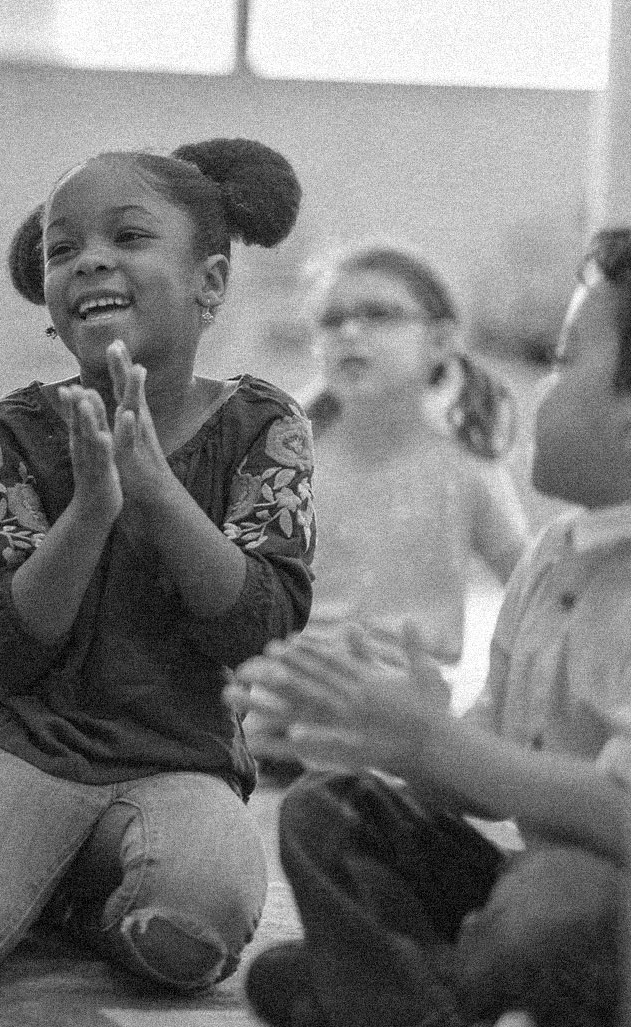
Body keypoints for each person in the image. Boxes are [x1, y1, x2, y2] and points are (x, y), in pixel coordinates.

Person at [0, 138, 316, 993]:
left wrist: (156, 488)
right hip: (23, 749)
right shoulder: (11, 432)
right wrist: (88, 512)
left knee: (191, 933)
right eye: (63, 248)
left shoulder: (266, 426)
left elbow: (261, 632)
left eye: (129, 236)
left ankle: (73, 903)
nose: (90, 261)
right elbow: (2, 652)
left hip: (181, 761)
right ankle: (43, 878)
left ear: (210, 283)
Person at [231, 227, 631, 1027]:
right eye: (333, 318)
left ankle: (396, 991)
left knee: (555, 897)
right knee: (327, 808)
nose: (540, 390)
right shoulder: (555, 556)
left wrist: (436, 741)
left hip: (600, 902)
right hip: (526, 878)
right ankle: (419, 985)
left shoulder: (466, 472)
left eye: (561, 362)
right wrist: (400, 742)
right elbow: (484, 753)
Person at [300, 244, 528, 669]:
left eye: (378, 314)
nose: (349, 331)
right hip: (289, 686)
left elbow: (533, 596)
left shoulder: (465, 468)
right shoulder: (287, 459)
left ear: (440, 341)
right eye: (331, 320)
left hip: (412, 697)